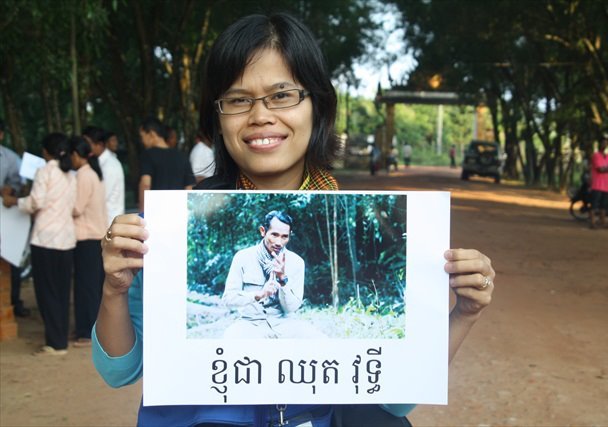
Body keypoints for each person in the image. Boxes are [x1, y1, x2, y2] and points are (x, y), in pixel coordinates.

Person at [93, 13, 495, 427]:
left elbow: (392, 404)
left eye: (282, 95)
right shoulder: (160, 231)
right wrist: (114, 291)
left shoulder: (306, 255)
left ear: (317, 106)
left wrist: (464, 313)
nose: (260, 115)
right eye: (237, 99)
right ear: (217, 117)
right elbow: (119, 371)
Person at [3, 133, 77, 355]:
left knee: (46, 292)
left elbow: (36, 202)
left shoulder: (44, 171)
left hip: (45, 238)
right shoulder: (71, 175)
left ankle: (54, 343)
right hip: (66, 238)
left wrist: (14, 201)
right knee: (62, 292)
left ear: (46, 152)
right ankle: (60, 339)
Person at [223, 210, 325, 339]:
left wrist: (282, 279)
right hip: (250, 324)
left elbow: (292, 308)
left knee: (320, 340)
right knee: (231, 337)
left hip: (285, 323)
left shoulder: (296, 262)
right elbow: (228, 300)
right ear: (263, 231)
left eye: (284, 236)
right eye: (274, 235)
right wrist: (258, 295)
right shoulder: (242, 257)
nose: (279, 242)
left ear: (290, 235)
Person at [69, 136, 109, 348]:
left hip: (87, 237)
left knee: (86, 287)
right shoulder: (94, 174)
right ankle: (89, 329)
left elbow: (77, 207)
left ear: (76, 155)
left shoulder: (84, 176)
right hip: (96, 236)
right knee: (92, 286)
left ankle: (87, 332)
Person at [0, 121, 31, 317]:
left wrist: (11, 189)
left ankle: (14, 301)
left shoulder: (11, 158)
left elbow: (21, 184)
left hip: (7, 217)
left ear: (1, 135)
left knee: (12, 258)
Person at [137, 117, 195, 211]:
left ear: (151, 134)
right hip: (178, 210)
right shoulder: (182, 156)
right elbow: (189, 187)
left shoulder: (147, 154)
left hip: (155, 210)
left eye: (142, 136)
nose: (142, 141)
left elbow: (146, 183)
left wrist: (143, 211)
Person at [82, 126, 125, 224]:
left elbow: (102, 196)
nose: (85, 148)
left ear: (100, 144)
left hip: (110, 222)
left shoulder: (109, 165)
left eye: (88, 144)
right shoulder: (102, 162)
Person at [589, 136, 608, 229]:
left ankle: (603, 222)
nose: (605, 144)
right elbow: (600, 169)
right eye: (603, 143)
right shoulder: (596, 155)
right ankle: (592, 222)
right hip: (596, 185)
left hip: (605, 186)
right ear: (599, 144)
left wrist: (606, 169)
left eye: (606, 143)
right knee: (594, 204)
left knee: (603, 205)